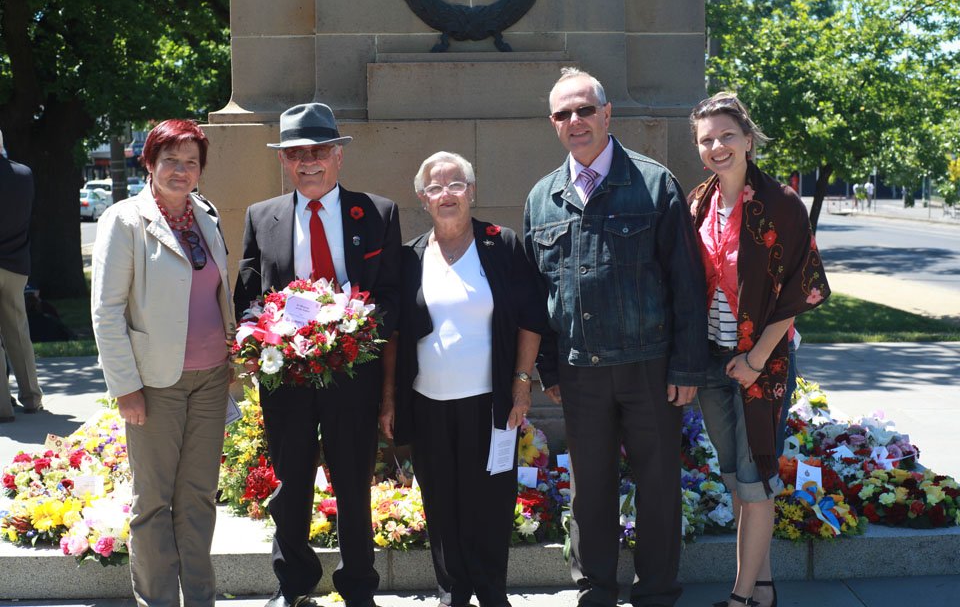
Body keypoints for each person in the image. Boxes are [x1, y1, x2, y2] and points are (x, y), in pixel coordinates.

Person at [523, 68, 708, 607]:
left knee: (658, 485)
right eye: (563, 114)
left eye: (584, 110)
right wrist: (551, 371)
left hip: (650, 367)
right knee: (590, 491)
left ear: (607, 113)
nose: (575, 121)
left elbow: (687, 284)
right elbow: (539, 296)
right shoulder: (542, 199)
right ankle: (595, 589)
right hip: (581, 373)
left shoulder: (653, 184)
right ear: (552, 123)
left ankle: (656, 592)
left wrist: (686, 367)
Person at [234, 103, 401, 607]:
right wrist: (263, 337)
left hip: (353, 372)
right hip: (286, 377)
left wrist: (352, 323)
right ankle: (294, 583)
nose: (308, 161)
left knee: (353, 481)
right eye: (296, 153)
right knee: (290, 482)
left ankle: (358, 588)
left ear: (338, 156)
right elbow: (247, 297)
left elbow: (392, 293)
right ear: (284, 160)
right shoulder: (262, 217)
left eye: (319, 151)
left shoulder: (378, 213)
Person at [379, 152, 546, 607]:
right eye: (435, 187)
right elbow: (393, 335)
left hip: (490, 400)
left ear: (472, 192)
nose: (446, 194)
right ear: (422, 198)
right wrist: (390, 399)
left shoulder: (500, 245)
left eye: (456, 185)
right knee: (441, 499)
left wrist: (521, 382)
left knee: (491, 499)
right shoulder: (410, 256)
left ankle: (491, 591)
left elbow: (531, 318)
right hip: (427, 400)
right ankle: (452, 591)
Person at [687, 92, 830, 607]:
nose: (717, 146)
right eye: (706, 139)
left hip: (760, 363)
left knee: (757, 475)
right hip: (711, 360)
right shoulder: (698, 201)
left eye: (727, 135)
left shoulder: (781, 204)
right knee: (736, 477)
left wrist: (754, 361)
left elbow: (799, 288)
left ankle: (742, 596)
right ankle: (764, 586)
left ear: (748, 140)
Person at [90, 119, 235, 606]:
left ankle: (199, 599)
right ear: (149, 162)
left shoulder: (206, 215)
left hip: (212, 378)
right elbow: (107, 311)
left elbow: (218, 292)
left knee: (198, 498)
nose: (181, 170)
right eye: (170, 159)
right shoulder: (124, 221)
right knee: (153, 502)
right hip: (155, 384)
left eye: (191, 162)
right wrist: (125, 386)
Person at [0, 128, 45, 423]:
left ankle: (3, 408)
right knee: (18, 331)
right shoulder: (24, 174)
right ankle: (31, 398)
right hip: (15, 263)